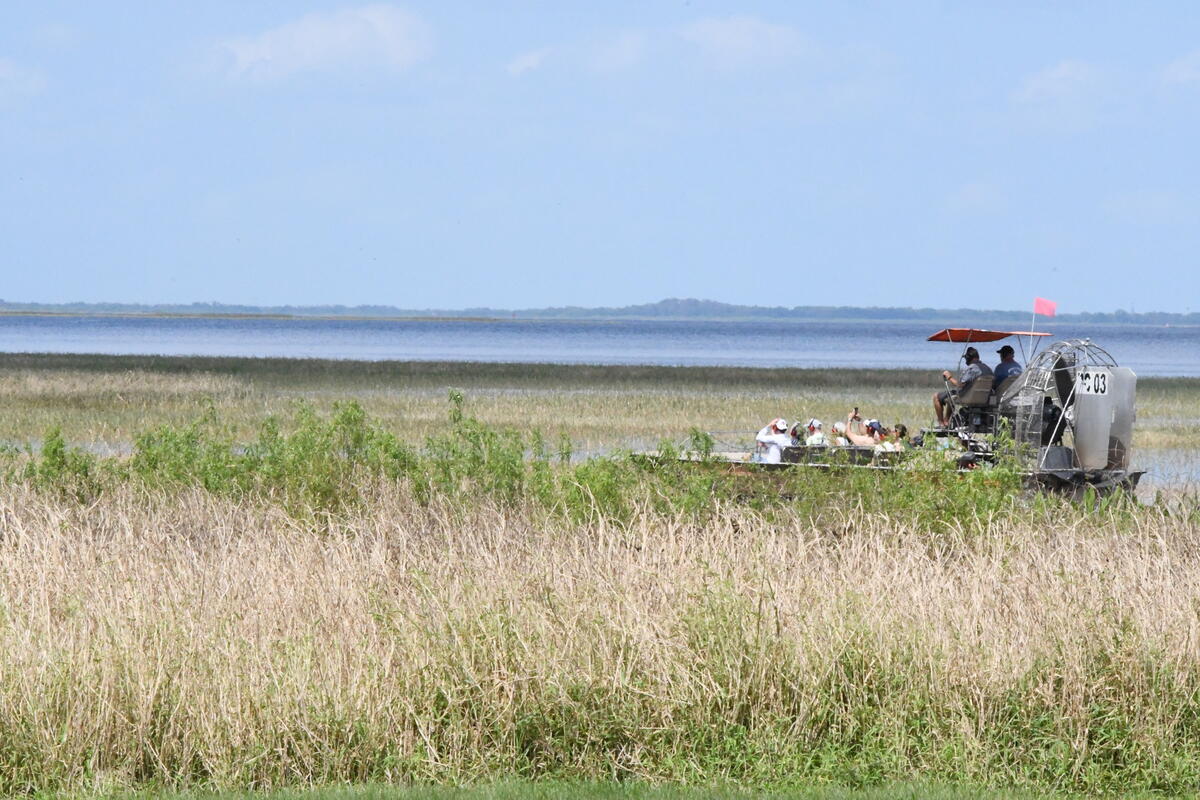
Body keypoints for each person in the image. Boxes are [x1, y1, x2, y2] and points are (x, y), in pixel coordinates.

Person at [932, 346, 994, 427]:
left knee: (936, 396)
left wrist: (949, 377)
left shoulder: (972, 368)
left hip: (968, 397)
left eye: (966, 358)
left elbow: (960, 384)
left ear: (969, 358)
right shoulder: (988, 369)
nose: (965, 361)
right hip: (984, 399)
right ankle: (947, 420)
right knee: (951, 395)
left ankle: (941, 423)